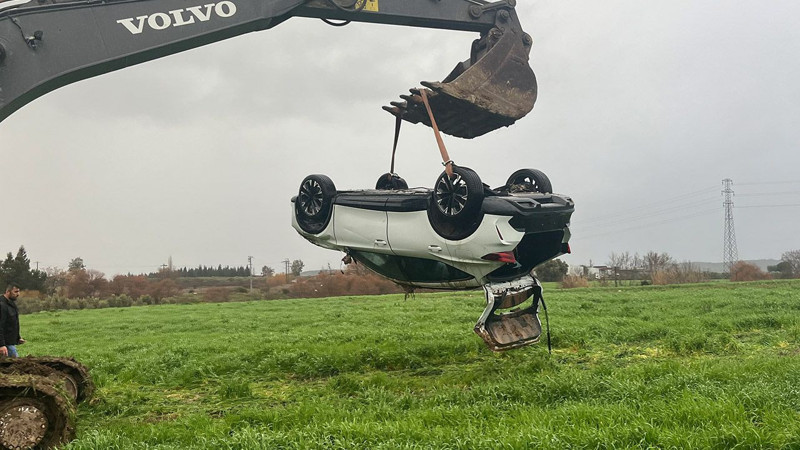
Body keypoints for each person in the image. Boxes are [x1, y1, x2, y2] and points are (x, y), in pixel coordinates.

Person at [1, 283, 25, 358]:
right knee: (17, 364)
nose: (18, 294)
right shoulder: (2, 305)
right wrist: (1, 345)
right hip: (6, 344)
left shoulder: (11, 304)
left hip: (9, 343)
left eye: (18, 291)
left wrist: (17, 338)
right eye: (15, 292)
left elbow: (12, 323)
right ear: (8, 292)